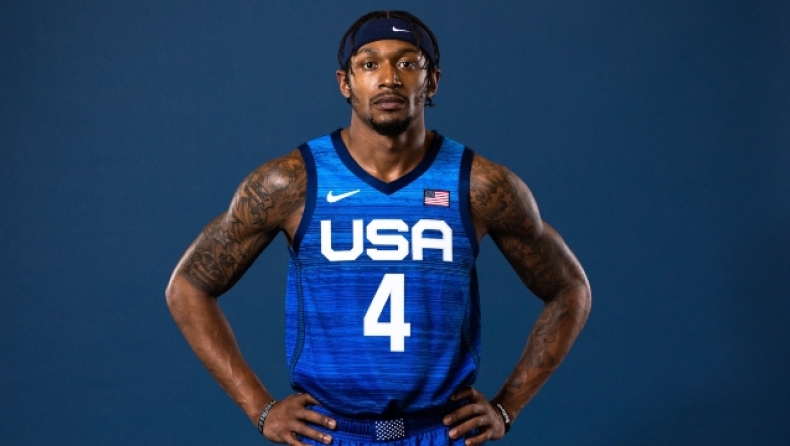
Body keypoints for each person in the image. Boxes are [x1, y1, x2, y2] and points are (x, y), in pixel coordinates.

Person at [166, 10, 591, 446]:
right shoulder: (293, 182)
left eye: (407, 63)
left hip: (439, 433)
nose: (389, 79)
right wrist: (260, 407)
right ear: (345, 82)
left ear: (432, 81)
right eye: (369, 64)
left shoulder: (479, 186)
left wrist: (506, 406)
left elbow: (569, 288)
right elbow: (188, 287)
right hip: (330, 434)